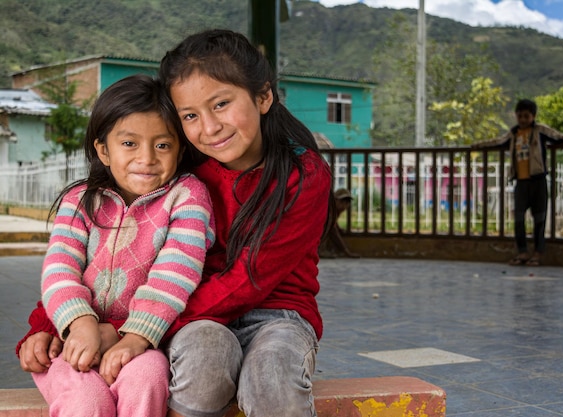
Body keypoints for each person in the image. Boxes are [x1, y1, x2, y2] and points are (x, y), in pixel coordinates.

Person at [18, 29, 334, 417]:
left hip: (276, 315)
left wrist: (127, 330)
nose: (209, 127)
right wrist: (50, 325)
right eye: (190, 115)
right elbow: (96, 254)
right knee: (203, 365)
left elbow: (249, 279)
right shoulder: (183, 168)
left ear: (263, 96)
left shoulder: (302, 175)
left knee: (271, 378)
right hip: (186, 316)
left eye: (220, 104)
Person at [18, 74, 215, 417]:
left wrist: (135, 337)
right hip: (72, 343)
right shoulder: (80, 201)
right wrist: (80, 326)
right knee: (87, 401)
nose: (147, 157)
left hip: (140, 342)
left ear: (180, 149)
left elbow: (175, 274)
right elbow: (59, 270)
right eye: (129, 143)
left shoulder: (187, 197)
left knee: (151, 376)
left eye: (162, 145)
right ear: (103, 150)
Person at [472, 98, 563, 266]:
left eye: (526, 116)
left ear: (533, 116)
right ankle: (522, 252)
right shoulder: (513, 134)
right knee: (519, 218)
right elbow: (498, 142)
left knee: (539, 219)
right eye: (520, 116)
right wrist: (478, 145)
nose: (523, 120)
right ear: (516, 116)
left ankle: (538, 253)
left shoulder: (540, 131)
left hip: (538, 181)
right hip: (521, 182)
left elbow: (559, 137)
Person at [319, 188, 360, 258]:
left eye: (347, 202)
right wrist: (347, 252)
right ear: (335, 200)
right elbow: (333, 230)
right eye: (342, 201)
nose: (344, 205)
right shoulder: (329, 209)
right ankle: (320, 250)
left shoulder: (335, 211)